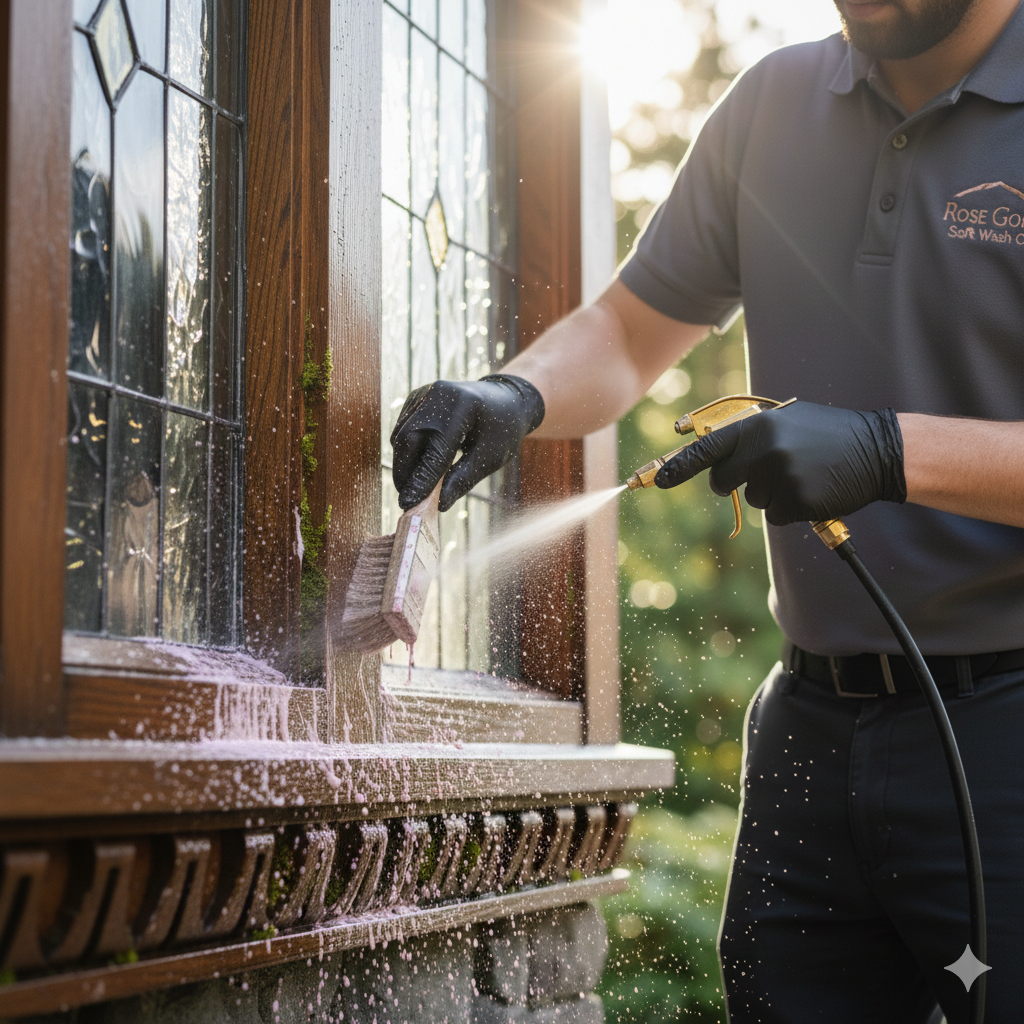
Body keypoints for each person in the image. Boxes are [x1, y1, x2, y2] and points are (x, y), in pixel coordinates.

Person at [390, 0, 1024, 1019]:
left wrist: (886, 449)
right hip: (809, 732)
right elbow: (633, 328)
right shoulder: (772, 105)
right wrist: (517, 394)